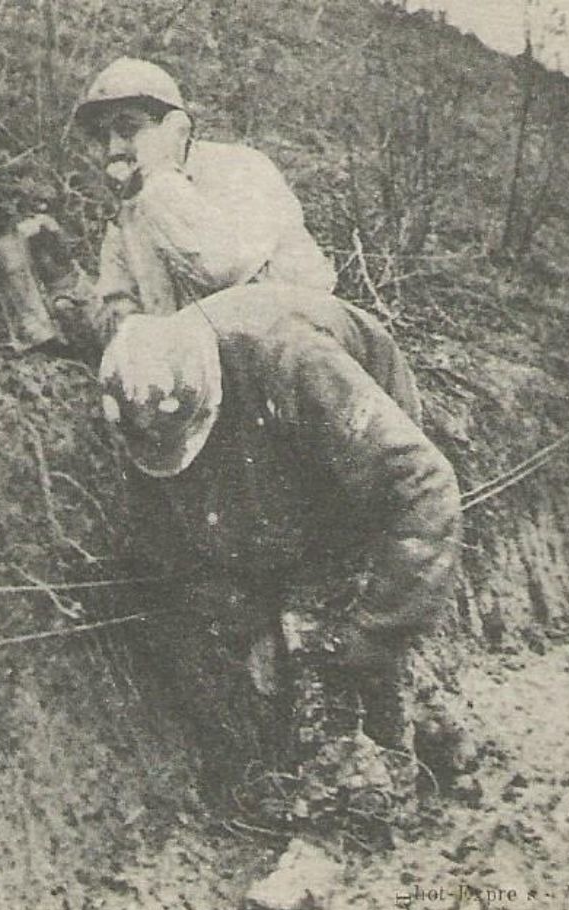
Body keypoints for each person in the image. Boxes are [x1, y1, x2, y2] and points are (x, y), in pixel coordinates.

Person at [97, 282, 462, 823]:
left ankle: (342, 810)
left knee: (321, 625)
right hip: (270, 432)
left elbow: (423, 485)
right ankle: (430, 720)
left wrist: (379, 629)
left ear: (210, 393)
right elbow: (173, 539)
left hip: (352, 441)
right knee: (285, 585)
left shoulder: (294, 359)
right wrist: (249, 626)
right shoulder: (139, 401)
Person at [70, 58, 336, 344]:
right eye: (101, 136)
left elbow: (224, 266)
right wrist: (68, 282)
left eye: (128, 128)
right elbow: (124, 327)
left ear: (176, 129)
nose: (113, 149)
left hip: (313, 338)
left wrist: (159, 174)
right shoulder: (130, 214)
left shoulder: (240, 168)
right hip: (226, 361)